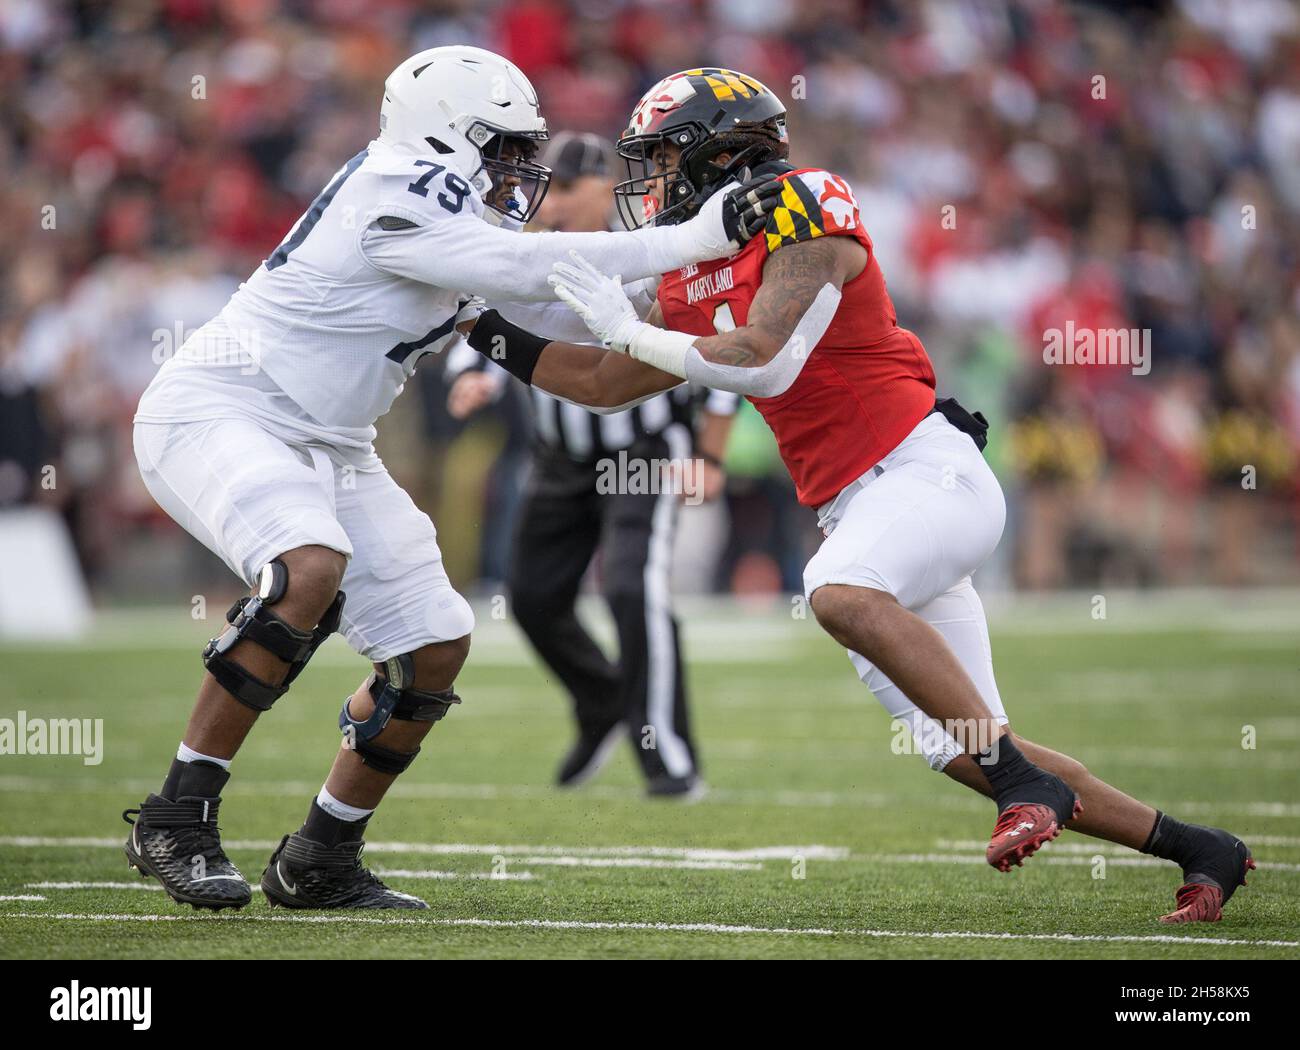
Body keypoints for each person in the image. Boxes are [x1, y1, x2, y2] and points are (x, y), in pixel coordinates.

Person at [460, 68, 1254, 924]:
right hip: (864, 506)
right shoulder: (692, 267)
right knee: (956, 746)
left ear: (718, 152)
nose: (647, 181)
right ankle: (1198, 848)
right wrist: (479, 324)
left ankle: (1023, 787)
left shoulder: (805, 203)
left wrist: (633, 329)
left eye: (659, 157)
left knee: (837, 591)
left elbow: (767, 358)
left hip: (924, 472)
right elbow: (601, 380)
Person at [122, 48, 780, 911]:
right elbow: (519, 272)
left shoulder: (459, 222)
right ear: (444, 134)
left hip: (333, 442)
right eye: (504, 146)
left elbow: (564, 331)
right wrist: (698, 236)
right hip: (223, 410)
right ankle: (177, 817)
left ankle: (321, 856)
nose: (520, 169)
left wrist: (699, 304)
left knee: (433, 642)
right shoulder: (397, 185)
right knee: (307, 569)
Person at [447, 131, 737, 797]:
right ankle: (604, 698)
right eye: (552, 187)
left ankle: (665, 751)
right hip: (560, 451)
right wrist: (478, 374)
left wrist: (712, 455)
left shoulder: (645, 249)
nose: (558, 202)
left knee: (632, 587)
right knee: (533, 598)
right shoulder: (524, 251)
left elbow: (717, 346)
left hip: (645, 446)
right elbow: (485, 315)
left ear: (607, 185)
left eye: (573, 185)